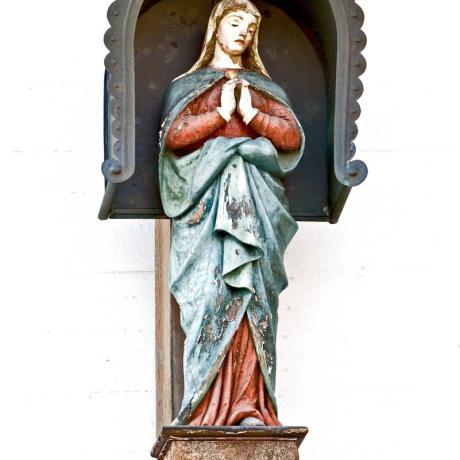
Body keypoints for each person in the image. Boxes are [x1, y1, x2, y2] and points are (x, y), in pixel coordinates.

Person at [158, 0, 305, 427]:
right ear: (216, 27)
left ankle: (250, 405)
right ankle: (202, 407)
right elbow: (175, 137)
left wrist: (251, 113)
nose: (242, 32)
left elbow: (291, 137)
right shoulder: (190, 87)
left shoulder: (262, 88)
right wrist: (220, 113)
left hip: (256, 211)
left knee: (252, 295)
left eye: (250, 27)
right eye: (235, 22)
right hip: (206, 215)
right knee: (211, 296)